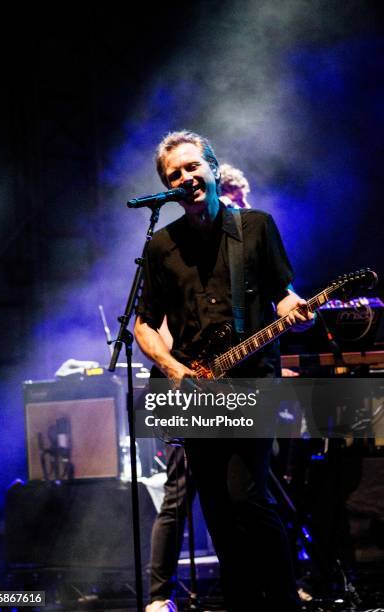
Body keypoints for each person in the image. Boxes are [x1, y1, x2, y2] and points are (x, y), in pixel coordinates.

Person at [135, 130, 314, 611]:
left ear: (212, 169)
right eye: (175, 174)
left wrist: (296, 308)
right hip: (197, 389)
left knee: (248, 498)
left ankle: (282, 601)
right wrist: (171, 367)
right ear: (167, 187)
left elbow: (284, 295)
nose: (186, 178)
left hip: (252, 380)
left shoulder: (256, 227)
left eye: (193, 167)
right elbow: (144, 326)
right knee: (215, 507)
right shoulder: (161, 248)